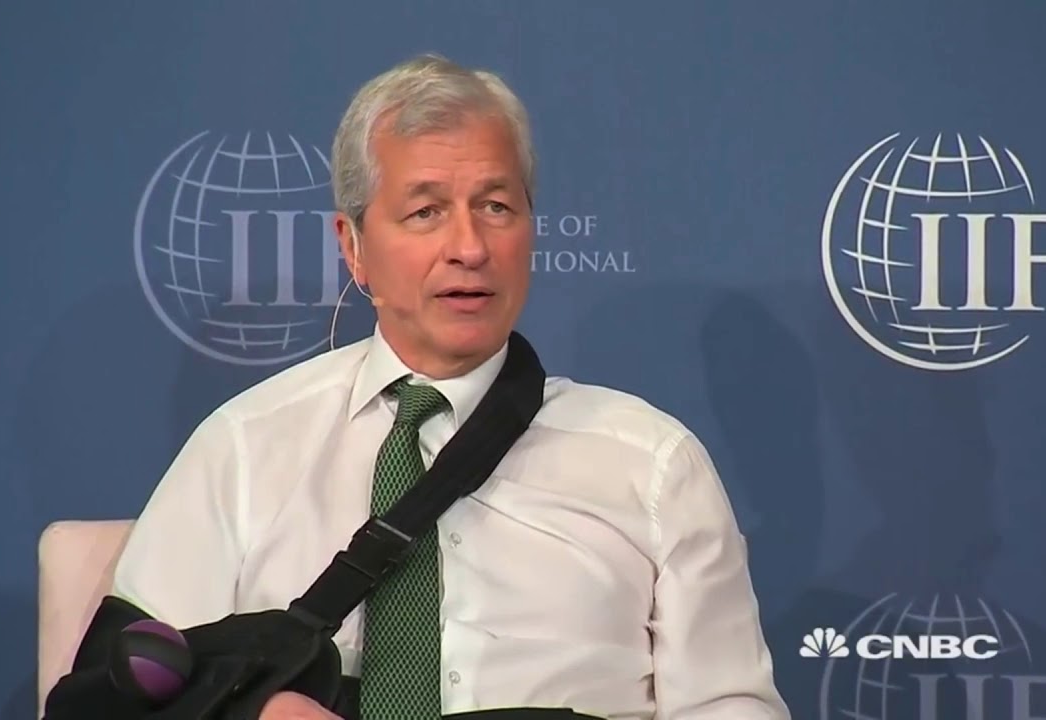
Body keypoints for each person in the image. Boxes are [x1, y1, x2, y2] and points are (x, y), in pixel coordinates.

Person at [108, 53, 789, 720]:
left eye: (496, 206)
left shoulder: (653, 465)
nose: (470, 247)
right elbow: (121, 693)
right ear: (353, 246)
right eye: (426, 212)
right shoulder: (243, 448)